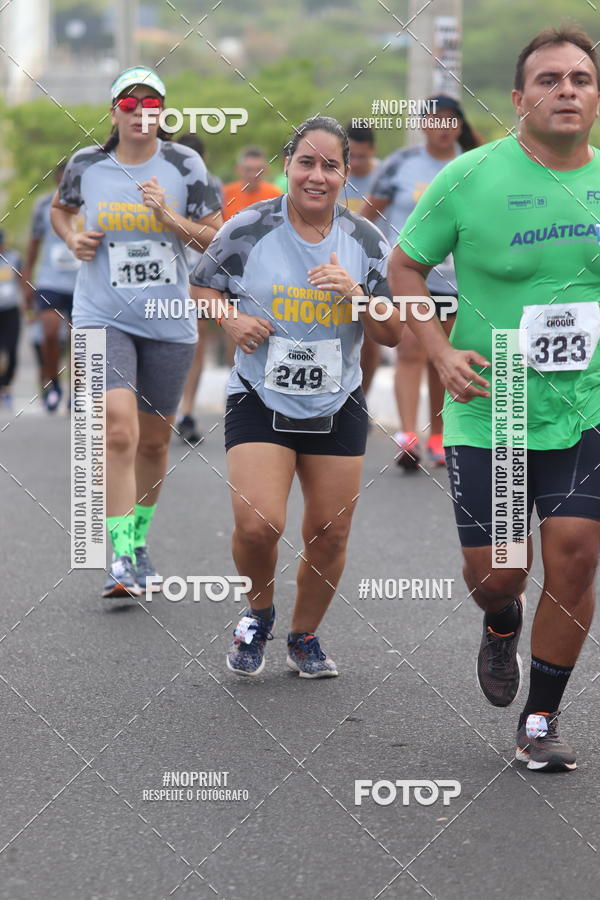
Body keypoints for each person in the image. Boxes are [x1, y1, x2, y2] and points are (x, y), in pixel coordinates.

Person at [389, 27, 600, 771]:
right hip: (495, 406)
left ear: (596, 96)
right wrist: (439, 350)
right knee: (498, 573)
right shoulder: (467, 177)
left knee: (575, 556)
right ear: (519, 100)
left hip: (584, 408)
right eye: (549, 79)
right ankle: (501, 619)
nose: (566, 89)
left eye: (580, 77)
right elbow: (405, 268)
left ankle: (540, 719)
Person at [190, 115, 402, 678]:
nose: (317, 176)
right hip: (260, 394)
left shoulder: (364, 239)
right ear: (287, 166)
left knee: (329, 534)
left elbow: (392, 330)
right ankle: (258, 611)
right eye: (306, 162)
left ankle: (304, 636)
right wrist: (230, 320)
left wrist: (358, 295)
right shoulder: (248, 227)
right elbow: (202, 284)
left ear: (347, 172)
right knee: (259, 523)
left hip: (338, 402)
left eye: (330, 165)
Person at [51, 66, 223, 599]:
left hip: (168, 321)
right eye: (130, 104)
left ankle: (140, 542)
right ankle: (120, 556)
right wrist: (75, 237)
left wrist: (168, 215)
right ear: (114, 113)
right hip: (101, 313)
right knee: (117, 429)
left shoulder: (184, 164)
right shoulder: (87, 165)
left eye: (151, 105)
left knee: (153, 442)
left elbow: (215, 239)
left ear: (162, 114)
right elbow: (62, 211)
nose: (140, 114)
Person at [361, 97, 481, 468]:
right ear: (422, 124)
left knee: (442, 358)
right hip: (409, 277)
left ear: (460, 126)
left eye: (450, 121)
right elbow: (368, 214)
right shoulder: (400, 163)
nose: (443, 128)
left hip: (458, 280)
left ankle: (438, 436)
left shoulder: (477, 163)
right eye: (435, 120)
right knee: (410, 352)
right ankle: (408, 435)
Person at [174, 132, 224, 446]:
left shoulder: (212, 185)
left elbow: (217, 235)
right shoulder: (157, 177)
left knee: (196, 339)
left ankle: (187, 412)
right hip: (160, 272)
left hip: (196, 272)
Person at [22, 162, 82, 413]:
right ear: (57, 179)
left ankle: (77, 392)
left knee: (77, 339)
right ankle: (52, 382)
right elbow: (34, 244)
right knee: (48, 331)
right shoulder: (44, 206)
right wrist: (26, 280)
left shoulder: (89, 205)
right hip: (50, 280)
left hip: (81, 281)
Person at [342, 124, 383, 396]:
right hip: (338, 264)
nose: (355, 163)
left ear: (373, 151)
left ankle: (360, 400)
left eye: (362, 156)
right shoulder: (333, 173)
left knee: (371, 340)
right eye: (350, 156)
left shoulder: (385, 176)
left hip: (372, 266)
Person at [222, 146, 282, 221]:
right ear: (238, 169)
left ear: (266, 170)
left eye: (258, 170)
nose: (254, 175)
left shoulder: (275, 195)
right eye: (248, 170)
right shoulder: (225, 194)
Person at [0, 232, 23, 410]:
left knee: (11, 350)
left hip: (11, 310)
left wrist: (29, 304)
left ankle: (6, 387)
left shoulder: (14, 258)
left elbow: (24, 280)